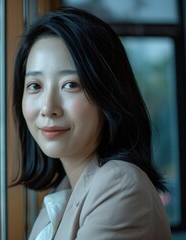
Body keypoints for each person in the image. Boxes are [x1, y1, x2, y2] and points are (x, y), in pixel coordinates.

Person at [12, 7, 172, 240]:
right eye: (35, 86)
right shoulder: (64, 191)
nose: (48, 107)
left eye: (70, 84)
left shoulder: (120, 185)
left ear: (107, 93)